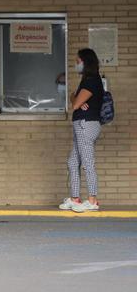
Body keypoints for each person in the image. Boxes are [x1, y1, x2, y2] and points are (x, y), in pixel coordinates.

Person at [59, 48, 104, 213]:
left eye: (78, 62)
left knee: (87, 163)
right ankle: (75, 199)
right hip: (81, 124)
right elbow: (74, 98)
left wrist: (76, 100)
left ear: (86, 62)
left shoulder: (91, 81)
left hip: (87, 124)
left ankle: (93, 200)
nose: (76, 64)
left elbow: (75, 104)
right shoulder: (87, 81)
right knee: (72, 162)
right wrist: (75, 98)